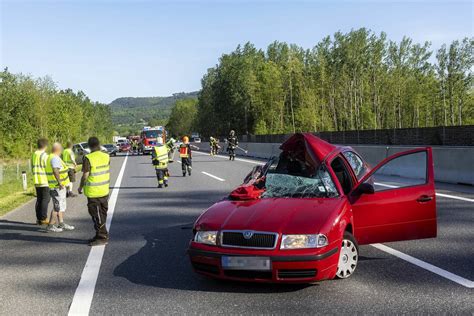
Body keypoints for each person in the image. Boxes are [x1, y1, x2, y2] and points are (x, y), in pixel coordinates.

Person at [78, 137, 110, 246]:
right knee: (102, 213)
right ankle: (99, 234)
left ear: (89, 146)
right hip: (104, 190)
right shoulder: (106, 156)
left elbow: (85, 175)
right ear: (99, 144)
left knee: (96, 215)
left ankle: (102, 237)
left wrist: (80, 187)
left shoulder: (88, 158)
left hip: (93, 191)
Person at [45, 142, 75, 232]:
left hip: (56, 186)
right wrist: (60, 182)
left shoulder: (51, 157)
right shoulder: (55, 158)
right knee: (57, 206)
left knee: (60, 205)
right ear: (58, 150)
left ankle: (61, 223)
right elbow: (55, 170)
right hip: (57, 186)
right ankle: (50, 225)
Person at [32, 138, 51, 225]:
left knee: (39, 199)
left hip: (36, 179)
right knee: (45, 199)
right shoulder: (45, 156)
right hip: (44, 180)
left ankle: (38, 218)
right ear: (46, 146)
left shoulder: (34, 154)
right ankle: (43, 218)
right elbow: (48, 167)